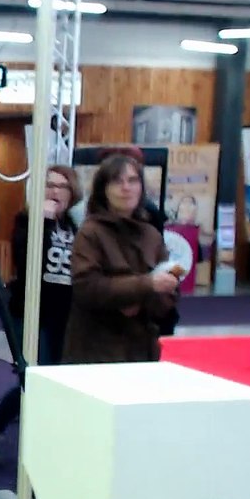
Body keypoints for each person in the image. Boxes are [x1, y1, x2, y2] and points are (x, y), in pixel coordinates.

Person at [0, 165, 81, 465]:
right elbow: (27, 262)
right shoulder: (28, 220)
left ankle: (46, 435)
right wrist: (43, 221)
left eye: (61, 186)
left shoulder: (74, 226)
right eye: (49, 185)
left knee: (56, 377)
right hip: (29, 312)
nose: (54, 192)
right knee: (37, 377)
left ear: (72, 192)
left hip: (63, 313)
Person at [62, 154, 179, 364]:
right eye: (117, 181)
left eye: (133, 180)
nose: (126, 188)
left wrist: (154, 294)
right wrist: (146, 285)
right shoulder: (91, 232)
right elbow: (86, 287)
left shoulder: (151, 235)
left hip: (142, 350)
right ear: (103, 190)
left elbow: (168, 298)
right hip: (96, 350)